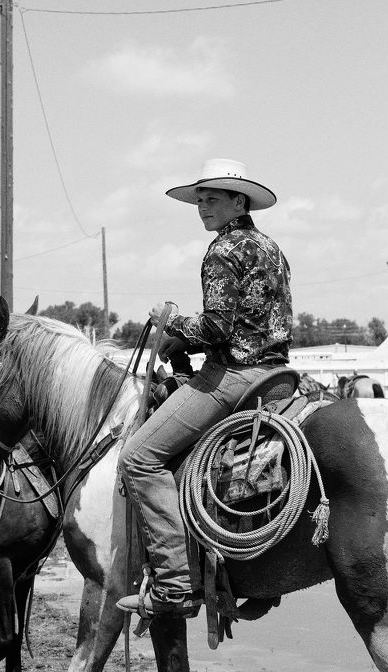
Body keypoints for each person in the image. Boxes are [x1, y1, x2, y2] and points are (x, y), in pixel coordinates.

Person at [117, 158, 293, 617]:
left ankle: (174, 585)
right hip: (276, 376)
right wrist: (184, 338)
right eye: (199, 199)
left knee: (139, 457)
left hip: (232, 377)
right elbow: (248, 324)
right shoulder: (271, 247)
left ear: (239, 201)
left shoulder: (221, 250)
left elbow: (217, 327)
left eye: (212, 198)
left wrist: (167, 319)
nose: (202, 206)